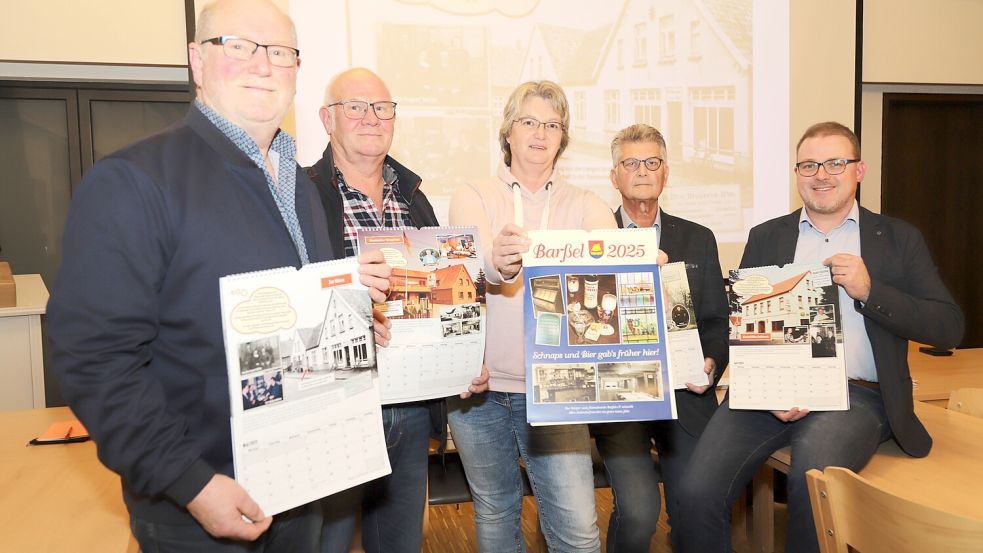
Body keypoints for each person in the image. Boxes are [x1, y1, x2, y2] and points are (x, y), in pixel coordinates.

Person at [45, 2, 393, 551]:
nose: (262, 65)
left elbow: (291, 316)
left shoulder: (299, 186)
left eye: (280, 53)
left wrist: (347, 328)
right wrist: (191, 482)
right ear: (196, 61)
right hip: (201, 505)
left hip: (302, 489)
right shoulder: (132, 181)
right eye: (238, 46)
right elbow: (94, 359)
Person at [675, 122, 965, 553]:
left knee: (811, 483)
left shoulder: (898, 239)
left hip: (856, 397)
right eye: (809, 165)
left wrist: (871, 291)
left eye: (835, 162)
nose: (821, 174)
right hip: (768, 392)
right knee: (694, 492)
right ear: (797, 174)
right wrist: (768, 387)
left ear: (859, 170)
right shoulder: (767, 235)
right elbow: (745, 323)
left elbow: (949, 326)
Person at [305, 67, 488, 553]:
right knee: (327, 543)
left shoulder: (414, 198)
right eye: (356, 107)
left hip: (408, 409)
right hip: (338, 407)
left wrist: (465, 355)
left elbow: (446, 296)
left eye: (382, 108)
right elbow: (290, 293)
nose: (371, 118)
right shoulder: (302, 194)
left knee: (400, 544)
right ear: (328, 119)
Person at [445, 80, 615, 552]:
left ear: (563, 137)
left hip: (560, 388)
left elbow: (612, 265)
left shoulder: (587, 204)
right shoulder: (472, 195)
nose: (540, 133)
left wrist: (636, 264)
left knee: (577, 530)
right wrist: (497, 261)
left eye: (552, 124)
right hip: (479, 392)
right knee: (496, 512)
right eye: (529, 122)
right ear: (508, 131)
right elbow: (473, 265)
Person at [588, 124, 729, 552]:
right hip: (623, 397)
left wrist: (710, 362)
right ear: (614, 176)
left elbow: (717, 323)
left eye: (652, 162)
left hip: (687, 395)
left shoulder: (699, 238)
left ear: (665, 173)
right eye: (631, 163)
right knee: (639, 512)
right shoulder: (595, 240)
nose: (643, 171)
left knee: (698, 500)